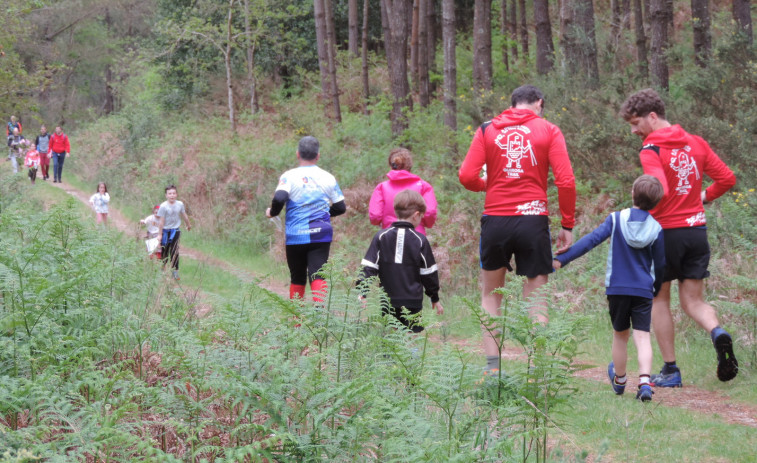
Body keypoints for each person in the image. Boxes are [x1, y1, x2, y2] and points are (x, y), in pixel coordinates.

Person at [620, 88, 738, 385]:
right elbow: (727, 178)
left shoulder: (651, 149)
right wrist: (704, 198)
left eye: (636, 123)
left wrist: (636, 211)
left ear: (652, 116)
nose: (634, 131)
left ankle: (671, 370)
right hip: (696, 231)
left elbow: (660, 190)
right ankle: (718, 332)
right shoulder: (696, 143)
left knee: (659, 300)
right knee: (693, 301)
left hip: (664, 235)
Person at [458, 84, 577, 376]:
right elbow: (566, 182)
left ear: (512, 105)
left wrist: (488, 185)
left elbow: (466, 175)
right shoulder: (549, 130)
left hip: (496, 220)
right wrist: (567, 224)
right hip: (533, 219)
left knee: (490, 295)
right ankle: (538, 369)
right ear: (539, 103)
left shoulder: (487, 130)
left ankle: (492, 369)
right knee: (536, 298)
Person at [553, 175, 666, 402]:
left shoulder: (616, 219)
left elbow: (590, 241)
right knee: (642, 336)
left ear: (632, 194)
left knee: (620, 335)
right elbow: (661, 264)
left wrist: (562, 260)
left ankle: (620, 380)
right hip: (643, 290)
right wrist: (655, 287)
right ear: (656, 203)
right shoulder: (656, 229)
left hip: (617, 289)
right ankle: (645, 382)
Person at [265, 136, 346, 302]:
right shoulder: (328, 177)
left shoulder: (289, 176)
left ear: (297, 154)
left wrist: (272, 212)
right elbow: (341, 207)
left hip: (296, 234)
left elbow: (280, 198)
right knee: (318, 274)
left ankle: (296, 323)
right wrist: (322, 213)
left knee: (297, 278)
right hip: (320, 233)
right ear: (318, 156)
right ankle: (319, 319)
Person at [358, 190, 444, 332]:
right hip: (413, 301)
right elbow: (429, 273)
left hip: (387, 300)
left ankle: (390, 354)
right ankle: (412, 354)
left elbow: (369, 266)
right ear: (416, 215)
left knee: (392, 335)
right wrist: (434, 297)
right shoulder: (420, 240)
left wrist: (363, 291)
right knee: (412, 334)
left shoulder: (381, 236)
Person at [369, 147, 438, 234]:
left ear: (391, 165)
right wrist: (425, 223)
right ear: (410, 165)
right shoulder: (424, 187)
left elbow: (375, 216)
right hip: (416, 237)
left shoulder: (382, 187)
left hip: (389, 237)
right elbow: (430, 213)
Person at [157, 185, 192, 280]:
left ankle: (175, 272)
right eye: (170, 193)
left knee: (175, 251)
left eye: (173, 193)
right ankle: (162, 269)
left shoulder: (180, 204)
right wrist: (159, 235)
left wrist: (188, 224)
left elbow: (184, 215)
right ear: (166, 195)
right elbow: (161, 221)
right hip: (165, 231)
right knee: (165, 251)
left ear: (176, 194)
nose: (172, 195)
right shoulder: (163, 206)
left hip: (175, 230)